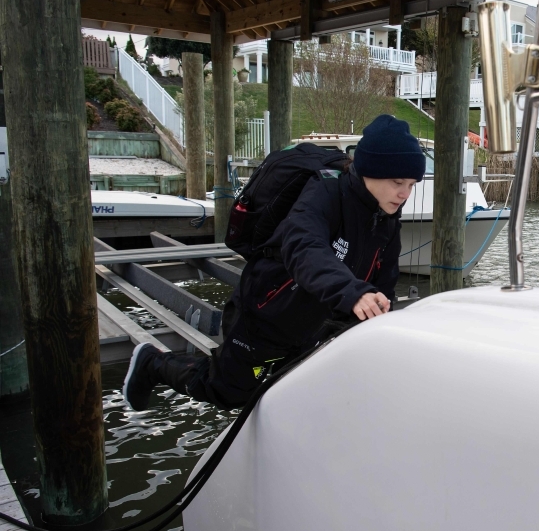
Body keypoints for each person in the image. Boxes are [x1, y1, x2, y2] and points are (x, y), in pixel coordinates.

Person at [122, 115, 425, 411]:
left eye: (412, 185)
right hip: (268, 310)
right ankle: (153, 363)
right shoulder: (324, 192)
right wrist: (352, 291)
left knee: (289, 393)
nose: (404, 193)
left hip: (316, 324)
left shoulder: (385, 219)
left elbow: (384, 277)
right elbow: (304, 247)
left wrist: (382, 319)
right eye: (398, 181)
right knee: (227, 390)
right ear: (369, 170)